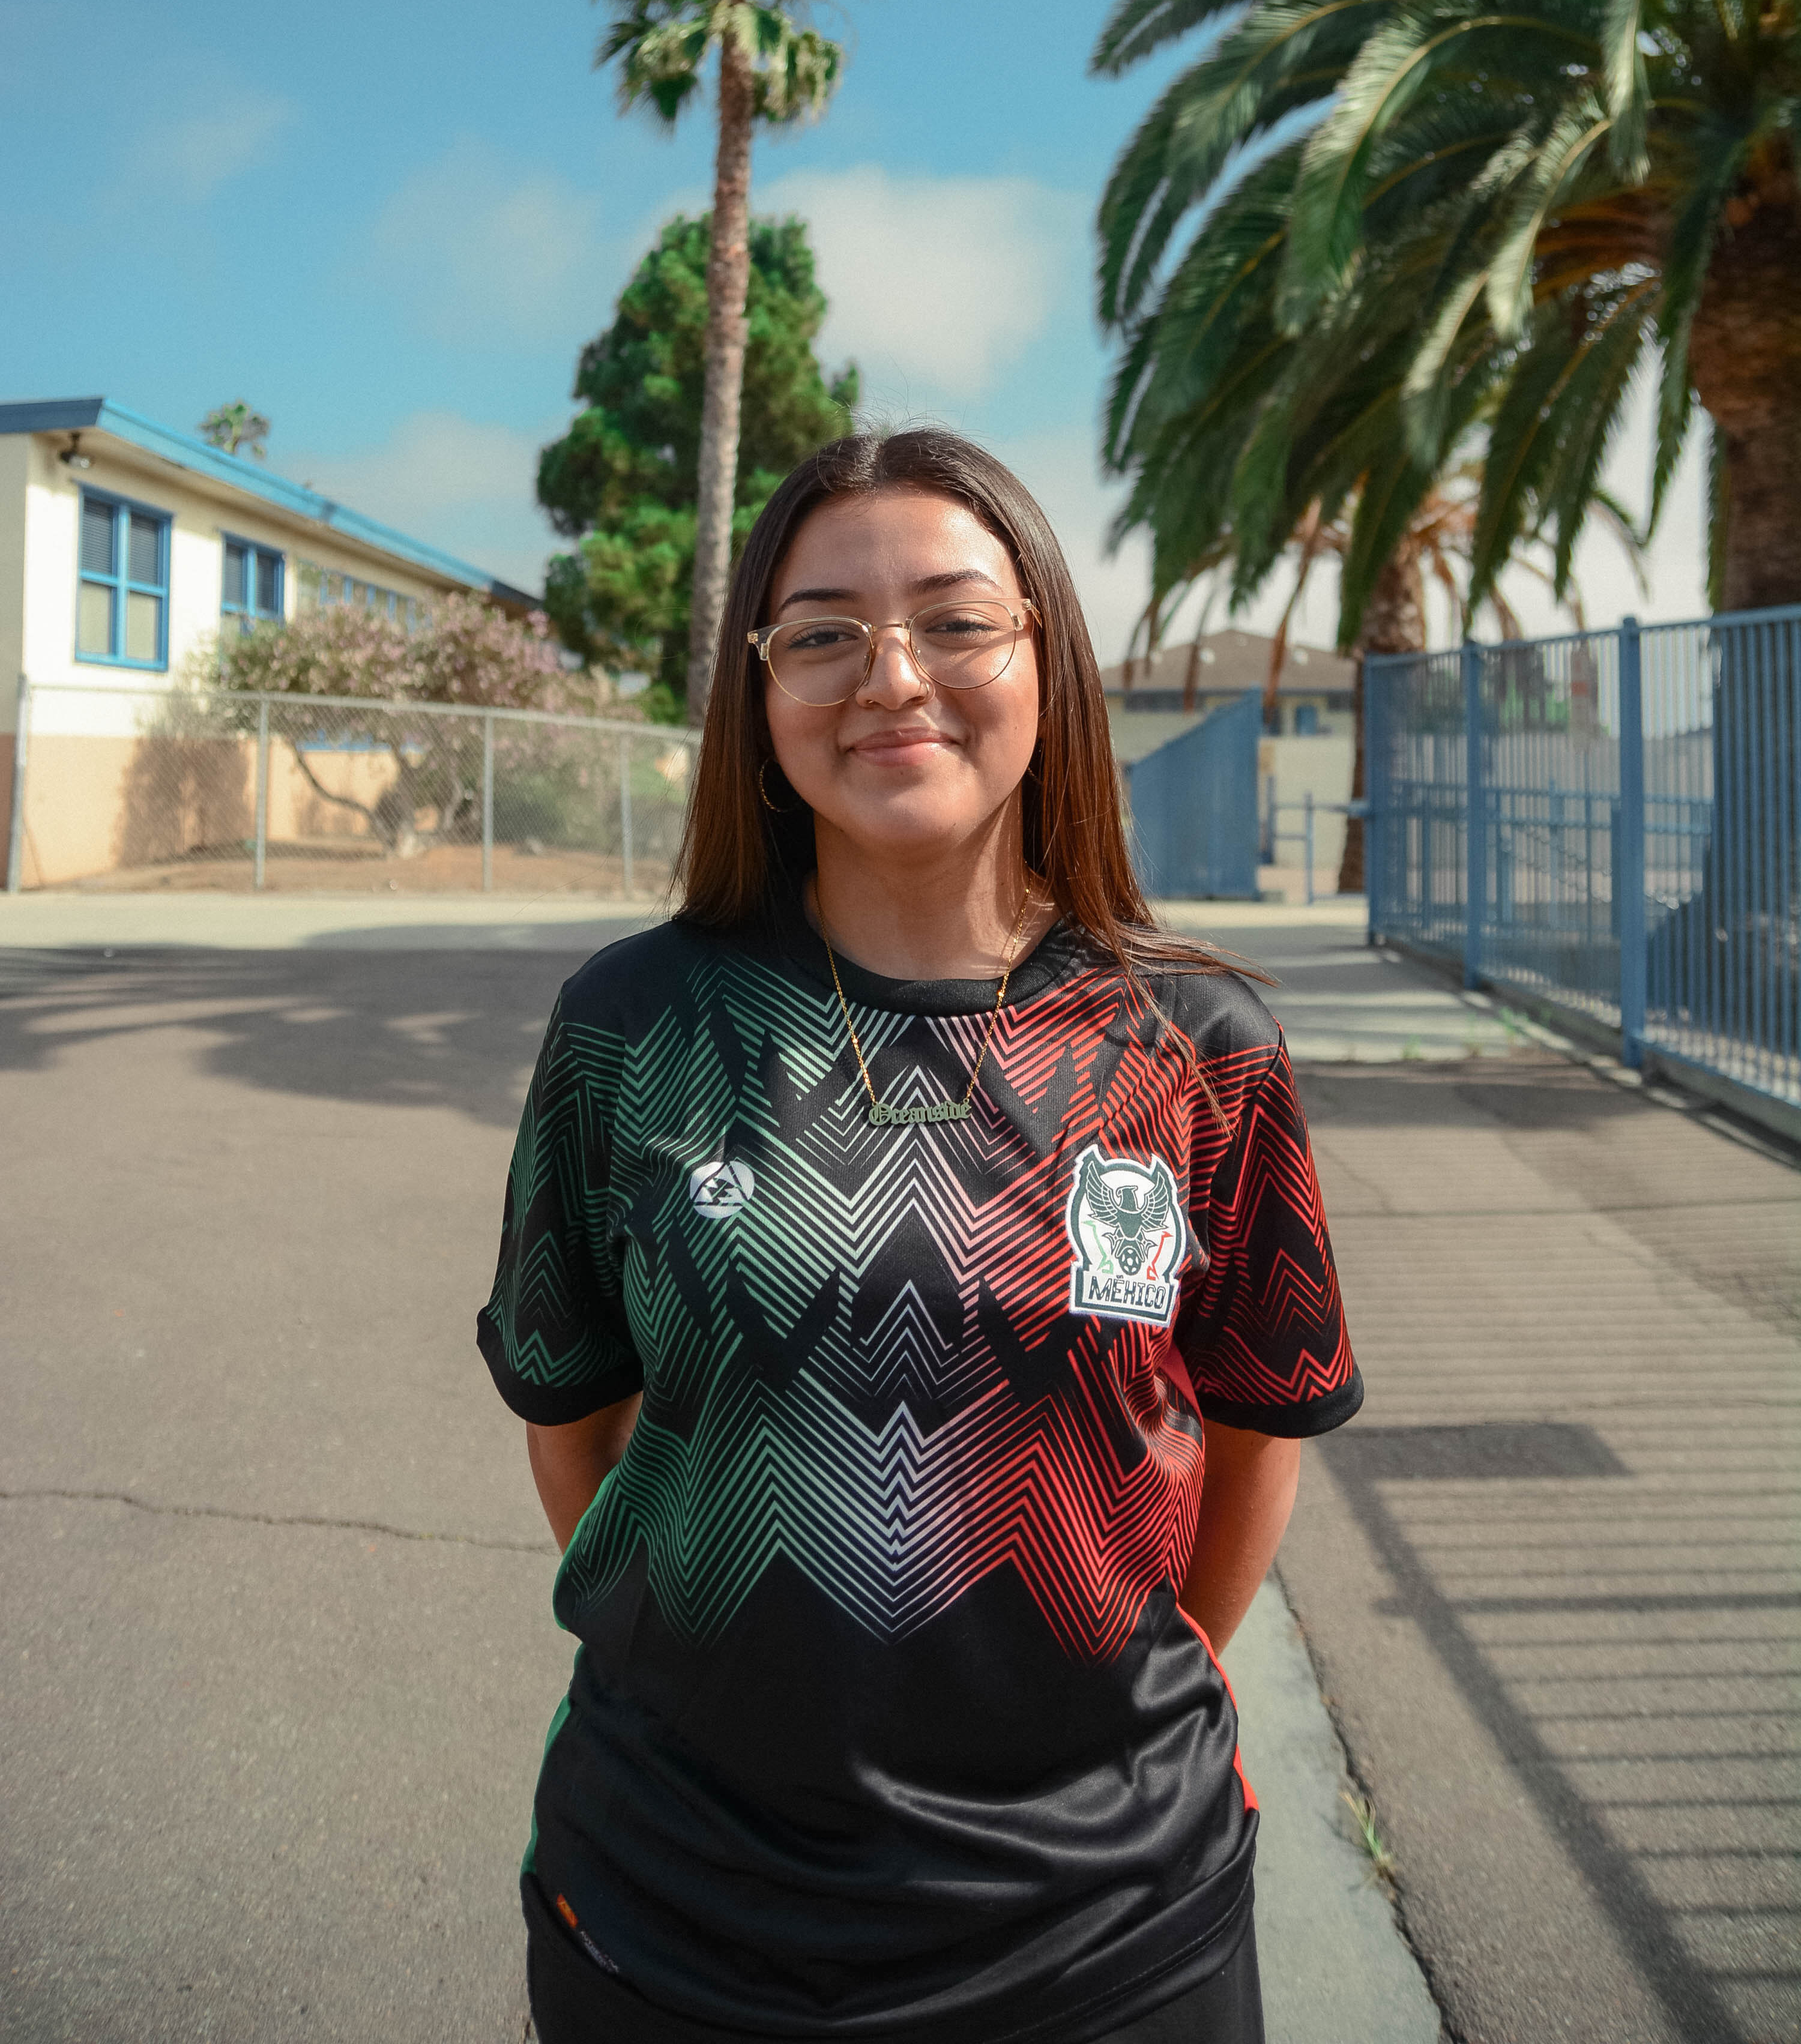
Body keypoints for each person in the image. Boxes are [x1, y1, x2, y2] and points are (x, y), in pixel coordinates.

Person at [478, 429, 1361, 2044]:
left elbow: (1251, 1431)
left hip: (1113, 1932)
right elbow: (574, 1419)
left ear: (1047, 660)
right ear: (760, 690)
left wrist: (1091, 1703)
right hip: (677, 1915)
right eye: (820, 632)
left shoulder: (1199, 1043)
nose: (889, 675)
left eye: (956, 620)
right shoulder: (631, 1024)